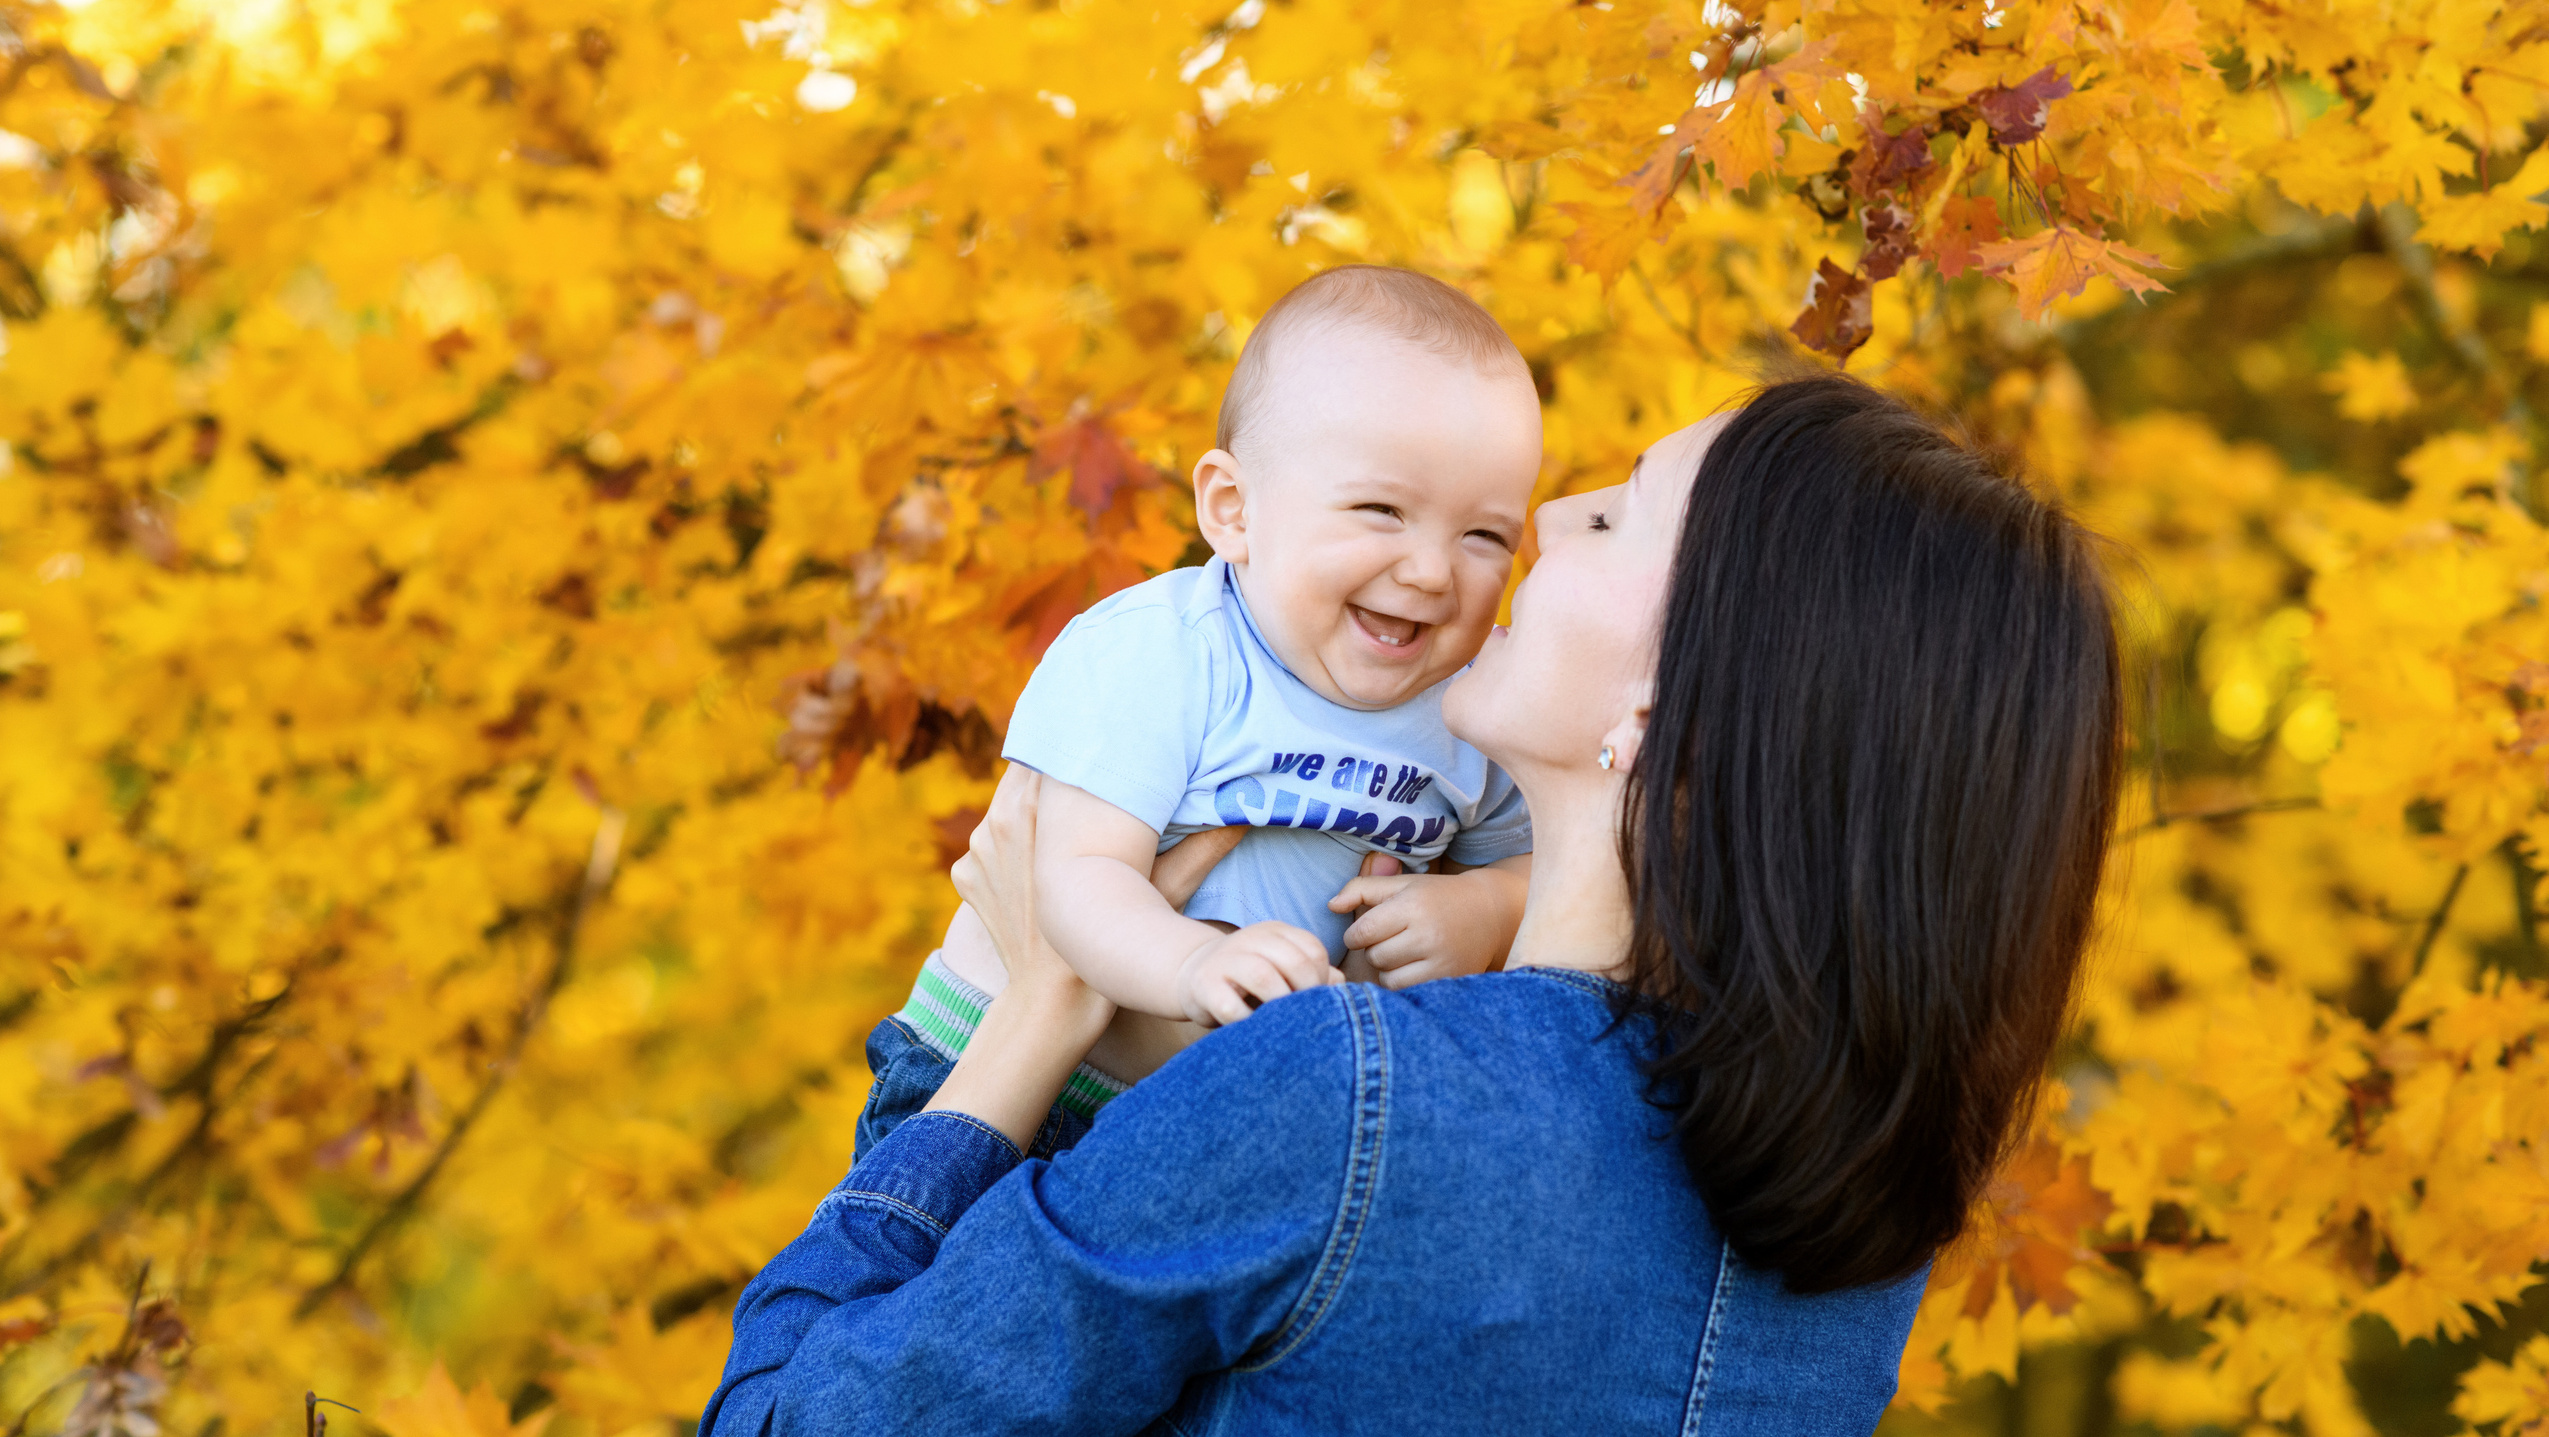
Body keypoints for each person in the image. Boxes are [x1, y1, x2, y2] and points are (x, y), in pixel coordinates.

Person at [705, 374, 2124, 1436]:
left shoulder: (1343, 1093)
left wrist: (1027, 1022)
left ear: (1673, 706)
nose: (1553, 515)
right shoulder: (1860, 1242)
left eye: (1620, 510)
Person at [863, 265, 1541, 1161]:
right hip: (1010, 1075)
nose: (1429, 570)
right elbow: (1074, 879)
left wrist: (1484, 906)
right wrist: (1191, 964)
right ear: (1233, 509)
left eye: (1484, 534)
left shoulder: (1473, 702)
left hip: (1225, 1120)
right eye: (1382, 511)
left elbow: (1557, 866)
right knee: (928, 1281)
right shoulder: (1165, 652)